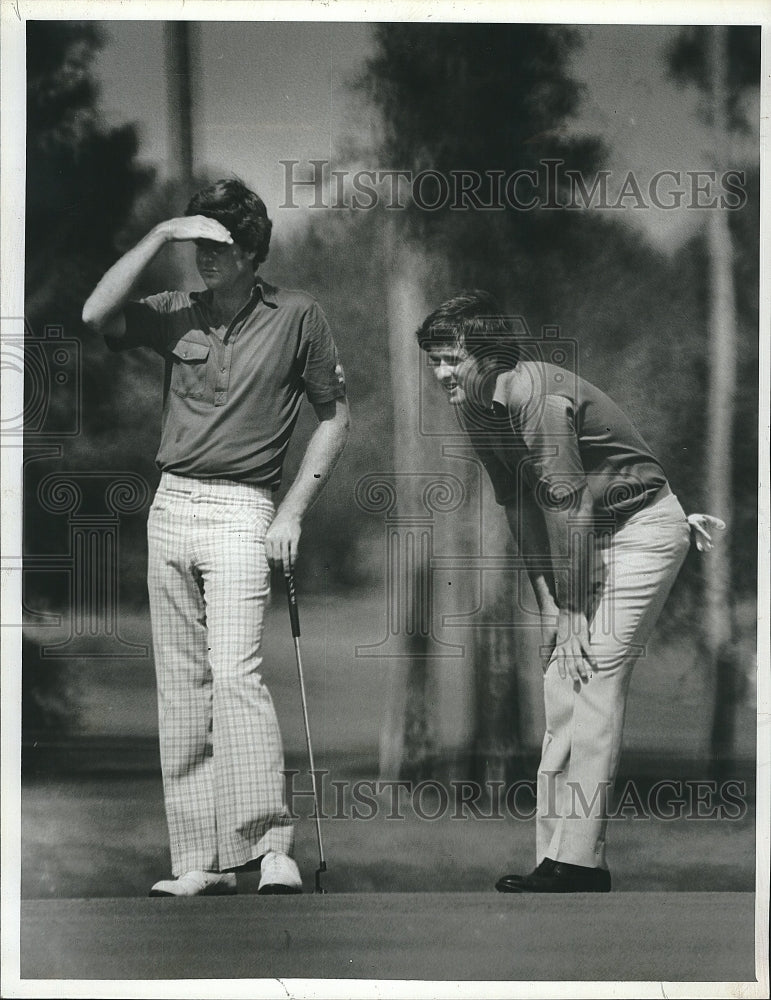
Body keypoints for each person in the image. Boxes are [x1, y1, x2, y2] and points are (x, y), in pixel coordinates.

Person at [82, 179, 350, 896]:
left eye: (218, 246)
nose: (204, 257)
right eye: (198, 244)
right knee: (182, 688)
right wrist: (158, 234)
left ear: (252, 252)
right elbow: (94, 313)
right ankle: (198, 861)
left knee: (235, 676)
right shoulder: (175, 313)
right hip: (171, 505)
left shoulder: (298, 316)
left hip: (243, 509)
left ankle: (268, 849)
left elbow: (333, 416)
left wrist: (292, 512)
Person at [417, 289, 722, 893]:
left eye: (453, 358)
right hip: (593, 542)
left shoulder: (534, 398)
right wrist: (554, 607)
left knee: (595, 674)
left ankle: (579, 862)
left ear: (490, 355)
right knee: (562, 683)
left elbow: (575, 506)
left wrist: (579, 613)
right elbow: (519, 505)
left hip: (643, 531)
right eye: (435, 360)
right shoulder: (476, 407)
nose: (442, 372)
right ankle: (557, 859)